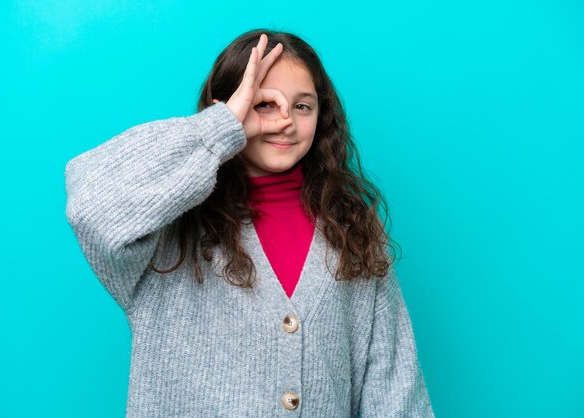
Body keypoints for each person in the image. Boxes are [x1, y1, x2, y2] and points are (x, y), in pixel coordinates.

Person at [65, 29, 435, 417]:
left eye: (303, 106)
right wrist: (218, 128)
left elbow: (395, 386)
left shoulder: (352, 226)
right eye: (264, 105)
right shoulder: (169, 227)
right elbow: (91, 205)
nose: (285, 121)